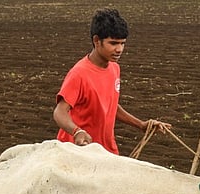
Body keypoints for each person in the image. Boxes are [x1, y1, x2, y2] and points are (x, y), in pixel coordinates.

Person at [53, 8, 170, 155]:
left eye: (122, 43)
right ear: (96, 41)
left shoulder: (114, 68)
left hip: (105, 149)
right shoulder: (79, 74)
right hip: (79, 151)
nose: (119, 49)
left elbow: (110, 105)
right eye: (113, 43)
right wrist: (77, 132)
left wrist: (141, 125)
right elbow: (59, 112)